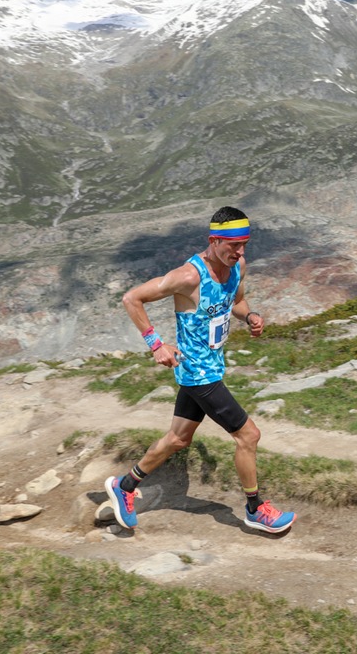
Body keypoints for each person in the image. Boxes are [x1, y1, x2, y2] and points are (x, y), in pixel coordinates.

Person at [105, 206, 295, 534]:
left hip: (212, 368)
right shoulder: (189, 276)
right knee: (249, 435)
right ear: (213, 240)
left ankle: (124, 487)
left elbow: (235, 302)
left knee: (179, 439)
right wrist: (156, 344)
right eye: (233, 246)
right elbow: (131, 298)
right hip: (197, 374)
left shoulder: (238, 266)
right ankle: (255, 508)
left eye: (245, 245)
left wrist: (249, 316)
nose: (240, 252)